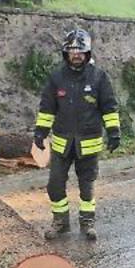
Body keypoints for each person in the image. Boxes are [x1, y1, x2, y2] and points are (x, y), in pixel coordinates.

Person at [33, 28, 121, 241]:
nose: (76, 55)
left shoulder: (99, 77)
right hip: (62, 143)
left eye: (80, 51)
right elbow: (47, 108)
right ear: (66, 53)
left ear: (88, 53)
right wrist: (40, 133)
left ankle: (87, 223)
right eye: (72, 51)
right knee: (54, 184)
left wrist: (114, 132)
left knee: (86, 186)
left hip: (89, 143)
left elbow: (109, 107)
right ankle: (61, 222)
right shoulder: (56, 78)